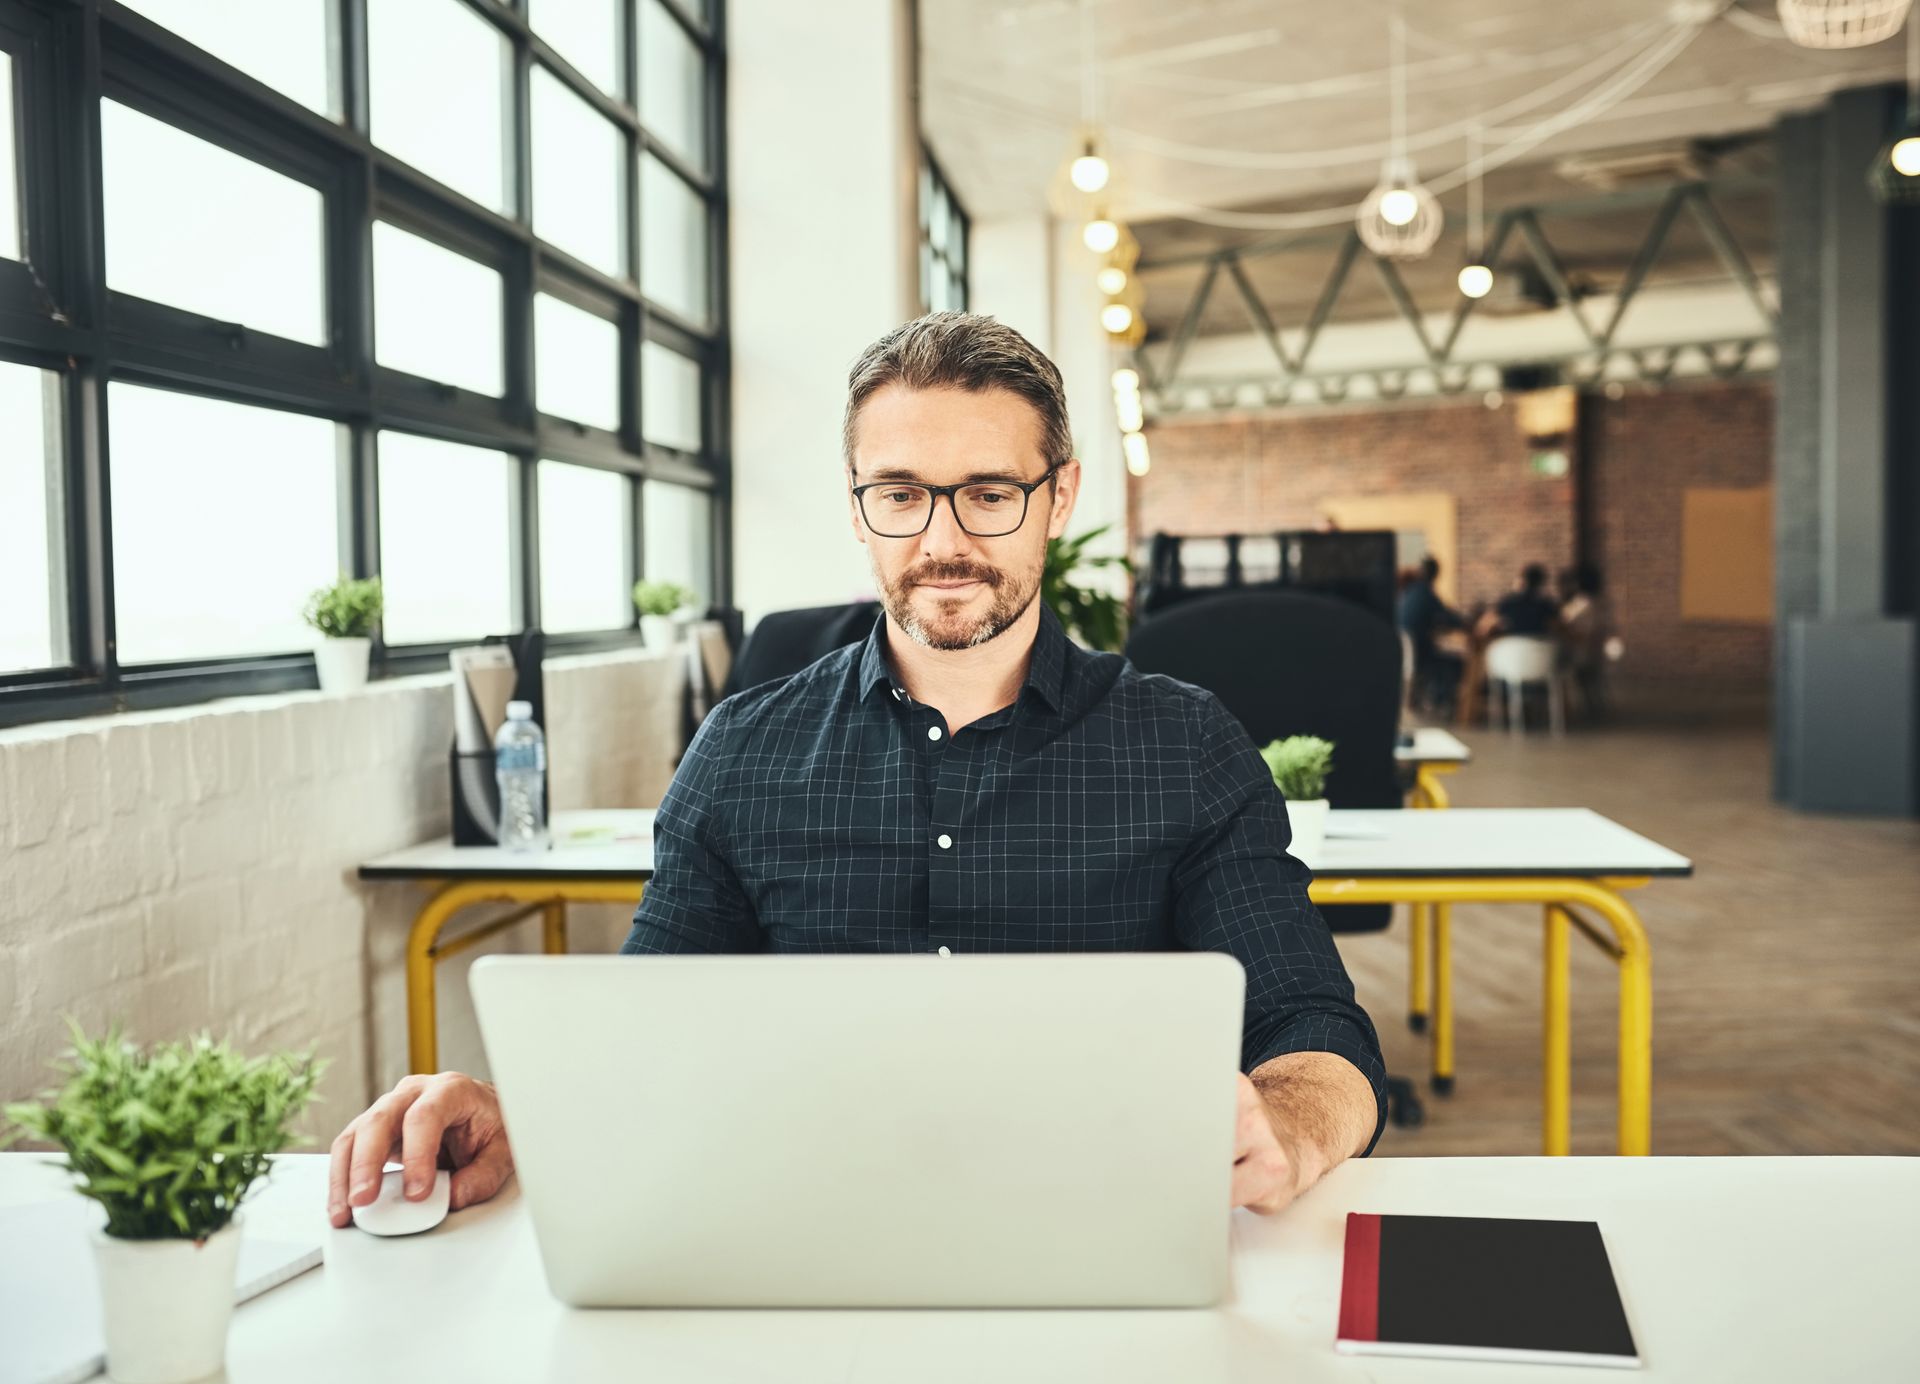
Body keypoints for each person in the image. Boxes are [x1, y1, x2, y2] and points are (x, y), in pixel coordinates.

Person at [328, 312, 1387, 1234]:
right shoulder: (743, 749)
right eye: (900, 494)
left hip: (1097, 1236)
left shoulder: (1185, 748)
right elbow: (648, 1031)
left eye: (987, 493)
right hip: (797, 1239)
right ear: (857, 503)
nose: (942, 539)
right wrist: (513, 1115)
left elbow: (1316, 1030)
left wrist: (1289, 1124)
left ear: (1059, 496)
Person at [1395, 555, 1464, 716]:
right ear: (1435, 574)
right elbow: (1449, 618)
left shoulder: (1409, 592)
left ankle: (1430, 699)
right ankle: (1441, 703)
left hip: (1407, 651)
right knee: (1455, 664)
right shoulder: (1426, 593)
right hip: (1420, 653)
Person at [1479, 562, 1561, 640]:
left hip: (1513, 645)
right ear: (1542, 583)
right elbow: (1560, 628)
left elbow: (1484, 627)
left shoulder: (1508, 601)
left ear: (1522, 581)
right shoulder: (1545, 603)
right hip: (1540, 645)